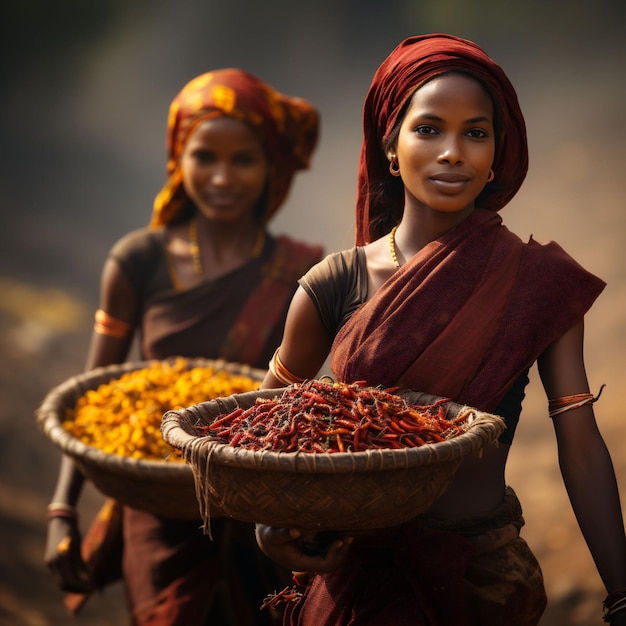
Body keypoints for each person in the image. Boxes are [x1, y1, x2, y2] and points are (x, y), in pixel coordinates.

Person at [253, 34, 626, 625]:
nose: (452, 152)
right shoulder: (333, 283)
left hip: (481, 582)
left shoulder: (538, 281)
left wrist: (621, 589)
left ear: (497, 153)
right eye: (428, 129)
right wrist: (269, 521)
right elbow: (260, 434)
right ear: (391, 148)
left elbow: (580, 447)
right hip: (353, 579)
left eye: (475, 133)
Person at [44, 68, 324, 625]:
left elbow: (315, 400)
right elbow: (90, 403)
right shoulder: (138, 261)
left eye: (243, 159)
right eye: (204, 157)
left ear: (272, 166)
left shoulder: (302, 271)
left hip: (256, 505)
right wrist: (61, 510)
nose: (222, 177)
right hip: (156, 501)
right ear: (178, 159)